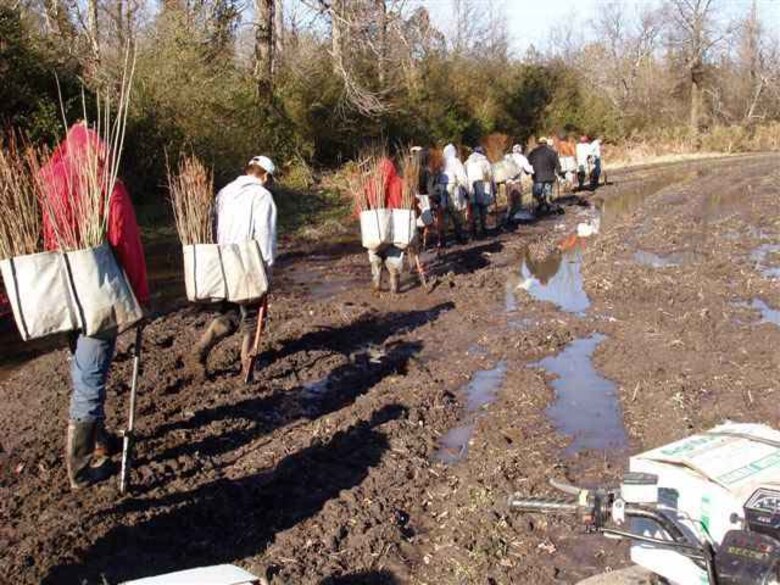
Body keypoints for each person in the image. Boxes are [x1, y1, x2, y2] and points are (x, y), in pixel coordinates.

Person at [40, 123, 149, 490]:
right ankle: (81, 468)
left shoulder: (49, 181)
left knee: (82, 366)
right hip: (97, 294)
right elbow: (125, 241)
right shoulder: (104, 183)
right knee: (90, 378)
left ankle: (99, 440)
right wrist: (140, 295)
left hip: (62, 293)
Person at [188, 155, 277, 380]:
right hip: (248, 261)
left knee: (230, 314)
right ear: (265, 176)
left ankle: (199, 352)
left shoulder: (224, 192)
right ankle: (247, 366)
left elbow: (213, 224)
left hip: (222, 260)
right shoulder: (262, 196)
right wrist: (268, 268)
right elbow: (265, 234)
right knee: (253, 317)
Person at [366, 157, 405, 294]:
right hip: (395, 228)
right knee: (394, 255)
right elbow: (411, 204)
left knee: (375, 254)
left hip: (375, 228)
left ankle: (376, 282)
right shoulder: (401, 183)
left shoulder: (370, 184)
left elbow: (362, 208)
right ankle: (394, 283)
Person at [437, 143, 468, 245]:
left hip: (441, 189)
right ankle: (459, 236)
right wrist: (466, 190)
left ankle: (442, 240)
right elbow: (462, 177)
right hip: (453, 188)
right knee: (456, 214)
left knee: (443, 215)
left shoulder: (441, 162)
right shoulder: (456, 161)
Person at [464, 146, 495, 239]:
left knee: (473, 210)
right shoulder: (485, 162)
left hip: (471, 189)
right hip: (483, 188)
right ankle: (483, 230)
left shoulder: (467, 163)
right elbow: (490, 176)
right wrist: (493, 188)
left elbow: (464, 177)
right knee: (482, 210)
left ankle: (473, 232)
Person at [527, 137, 561, 215]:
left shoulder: (533, 152)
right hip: (550, 177)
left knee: (537, 193)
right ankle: (547, 205)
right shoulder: (552, 152)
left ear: (538, 143)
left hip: (538, 177)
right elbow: (557, 165)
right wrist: (558, 172)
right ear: (546, 143)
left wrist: (528, 172)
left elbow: (528, 163)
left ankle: (542, 203)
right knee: (547, 192)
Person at [506, 144, 534, 222]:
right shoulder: (522, 158)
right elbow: (528, 169)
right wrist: (533, 171)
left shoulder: (507, 157)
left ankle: (509, 217)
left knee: (510, 202)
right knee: (517, 203)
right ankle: (515, 218)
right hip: (516, 183)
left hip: (508, 183)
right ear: (520, 150)